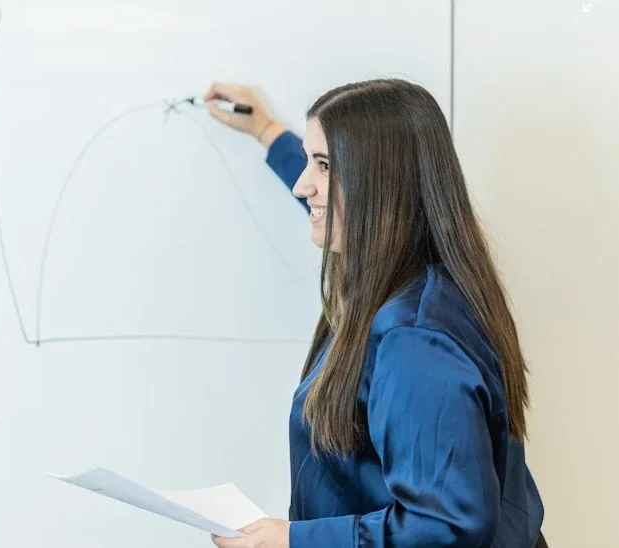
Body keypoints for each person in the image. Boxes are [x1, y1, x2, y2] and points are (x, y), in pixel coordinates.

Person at [204, 81, 545, 547]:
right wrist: (265, 130)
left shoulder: (414, 339)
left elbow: (448, 528)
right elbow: (324, 199)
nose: (305, 185)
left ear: (379, 182)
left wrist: (294, 541)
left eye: (323, 165)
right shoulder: (420, 273)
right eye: (307, 161)